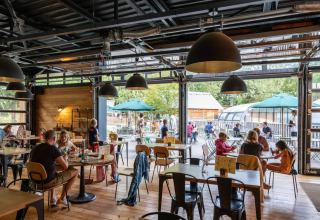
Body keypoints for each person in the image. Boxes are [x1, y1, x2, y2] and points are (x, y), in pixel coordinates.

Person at [30, 130, 78, 208]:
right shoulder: (52, 148)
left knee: (53, 170)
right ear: (55, 138)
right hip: (48, 182)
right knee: (76, 171)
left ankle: (53, 198)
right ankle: (62, 198)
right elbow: (65, 166)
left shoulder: (34, 148)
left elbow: (34, 164)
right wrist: (65, 158)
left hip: (35, 183)